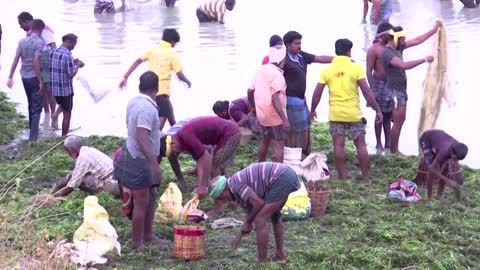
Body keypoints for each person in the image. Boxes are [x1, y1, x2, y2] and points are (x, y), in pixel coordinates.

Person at [310, 39, 383, 182]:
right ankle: (365, 178)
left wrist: (312, 110)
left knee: (338, 146)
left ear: (336, 51)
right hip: (354, 114)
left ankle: (343, 178)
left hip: (336, 114)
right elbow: (366, 91)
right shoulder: (356, 68)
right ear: (349, 51)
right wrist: (377, 109)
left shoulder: (327, 70)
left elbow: (317, 92)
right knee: (360, 145)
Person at [113, 71, 167, 250]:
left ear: (140, 86)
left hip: (135, 154)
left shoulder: (134, 101)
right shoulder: (147, 108)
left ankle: (149, 236)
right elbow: (141, 137)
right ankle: (137, 243)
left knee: (150, 197)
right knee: (141, 201)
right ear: (156, 89)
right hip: (139, 159)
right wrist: (154, 164)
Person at [208, 162, 300, 262]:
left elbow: (258, 204)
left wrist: (248, 222)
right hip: (283, 175)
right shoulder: (236, 189)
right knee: (274, 215)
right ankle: (280, 255)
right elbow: (251, 212)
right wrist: (240, 235)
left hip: (281, 177)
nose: (225, 201)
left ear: (224, 190)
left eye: (222, 198)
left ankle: (262, 262)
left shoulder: (235, 185)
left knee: (260, 219)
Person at [120, 29, 191, 131]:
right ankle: (153, 137)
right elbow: (179, 74)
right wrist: (187, 82)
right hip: (162, 92)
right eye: (175, 43)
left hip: (149, 91)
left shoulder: (152, 50)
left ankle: (178, 134)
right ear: (171, 41)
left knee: (170, 115)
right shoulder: (171, 53)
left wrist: (126, 77)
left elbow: (137, 61)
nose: (175, 45)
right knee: (163, 116)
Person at [381, 25, 438, 155]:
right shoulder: (387, 53)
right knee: (398, 123)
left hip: (400, 89)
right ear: (395, 38)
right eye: (402, 39)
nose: (404, 42)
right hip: (395, 91)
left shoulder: (398, 47)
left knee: (400, 121)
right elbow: (403, 65)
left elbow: (418, 40)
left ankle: (394, 150)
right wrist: (424, 60)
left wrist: (434, 30)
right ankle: (394, 152)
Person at [160, 116, 240, 199]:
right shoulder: (183, 139)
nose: (177, 153)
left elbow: (206, 157)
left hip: (230, 133)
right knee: (219, 168)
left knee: (214, 168)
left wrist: (203, 186)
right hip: (228, 133)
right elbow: (200, 160)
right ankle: (234, 195)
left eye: (174, 152)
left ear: (172, 143)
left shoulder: (185, 136)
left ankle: (218, 206)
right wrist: (199, 184)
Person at [282, 31, 333, 156]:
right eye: (296, 43)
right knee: (295, 128)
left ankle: (302, 151)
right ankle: (293, 153)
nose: (299, 46)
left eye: (300, 43)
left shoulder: (301, 56)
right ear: (287, 45)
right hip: (290, 98)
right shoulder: (283, 60)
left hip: (301, 98)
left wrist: (338, 59)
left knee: (305, 126)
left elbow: (319, 58)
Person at [248, 45, 289, 163]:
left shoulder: (259, 70)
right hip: (276, 116)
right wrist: (284, 119)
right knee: (279, 145)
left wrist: (253, 108)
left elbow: (250, 91)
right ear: (281, 60)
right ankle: (277, 174)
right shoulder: (277, 75)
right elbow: (275, 97)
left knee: (265, 141)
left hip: (262, 114)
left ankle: (260, 167)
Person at [7, 19, 46, 142]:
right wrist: (41, 80)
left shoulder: (22, 41)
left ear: (31, 28)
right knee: (37, 108)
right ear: (41, 29)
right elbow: (36, 62)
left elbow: (16, 59)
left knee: (31, 105)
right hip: (35, 77)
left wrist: (10, 76)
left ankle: (32, 132)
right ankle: (33, 139)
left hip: (24, 77)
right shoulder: (40, 43)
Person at [17, 12, 57, 128]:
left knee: (49, 91)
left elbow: (53, 45)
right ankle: (46, 115)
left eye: (21, 23)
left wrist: (51, 61)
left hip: (45, 61)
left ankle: (53, 115)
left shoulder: (44, 31)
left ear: (26, 22)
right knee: (41, 91)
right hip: (36, 65)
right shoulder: (29, 34)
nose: (20, 26)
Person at [52, 136, 120, 197]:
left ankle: (99, 195)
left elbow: (73, 184)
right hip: (120, 183)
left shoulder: (83, 157)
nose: (68, 154)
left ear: (71, 149)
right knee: (76, 176)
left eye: (68, 151)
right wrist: (58, 186)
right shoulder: (89, 150)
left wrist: (57, 196)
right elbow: (74, 174)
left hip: (113, 185)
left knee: (81, 181)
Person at [416, 129, 468, 200]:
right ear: (452, 152)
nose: (456, 161)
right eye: (455, 159)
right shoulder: (444, 151)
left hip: (440, 138)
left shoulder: (458, 148)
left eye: (458, 160)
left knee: (445, 169)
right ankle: (429, 198)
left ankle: (439, 195)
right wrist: (448, 180)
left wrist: (444, 174)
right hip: (426, 139)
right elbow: (431, 169)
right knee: (431, 173)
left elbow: (451, 160)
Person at [366, 22, 394, 151]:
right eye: (388, 35)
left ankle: (388, 143)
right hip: (379, 84)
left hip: (391, 84)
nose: (390, 37)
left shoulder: (392, 47)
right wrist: (373, 90)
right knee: (379, 115)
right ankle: (378, 143)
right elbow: (368, 71)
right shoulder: (374, 49)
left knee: (388, 116)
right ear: (382, 35)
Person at [50, 33, 84, 136]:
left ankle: (55, 115)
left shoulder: (52, 52)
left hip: (53, 89)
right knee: (67, 113)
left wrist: (73, 62)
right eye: (74, 44)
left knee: (62, 105)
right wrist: (77, 66)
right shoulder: (68, 55)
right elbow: (70, 75)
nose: (74, 46)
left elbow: (56, 65)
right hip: (65, 89)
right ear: (68, 41)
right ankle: (64, 137)